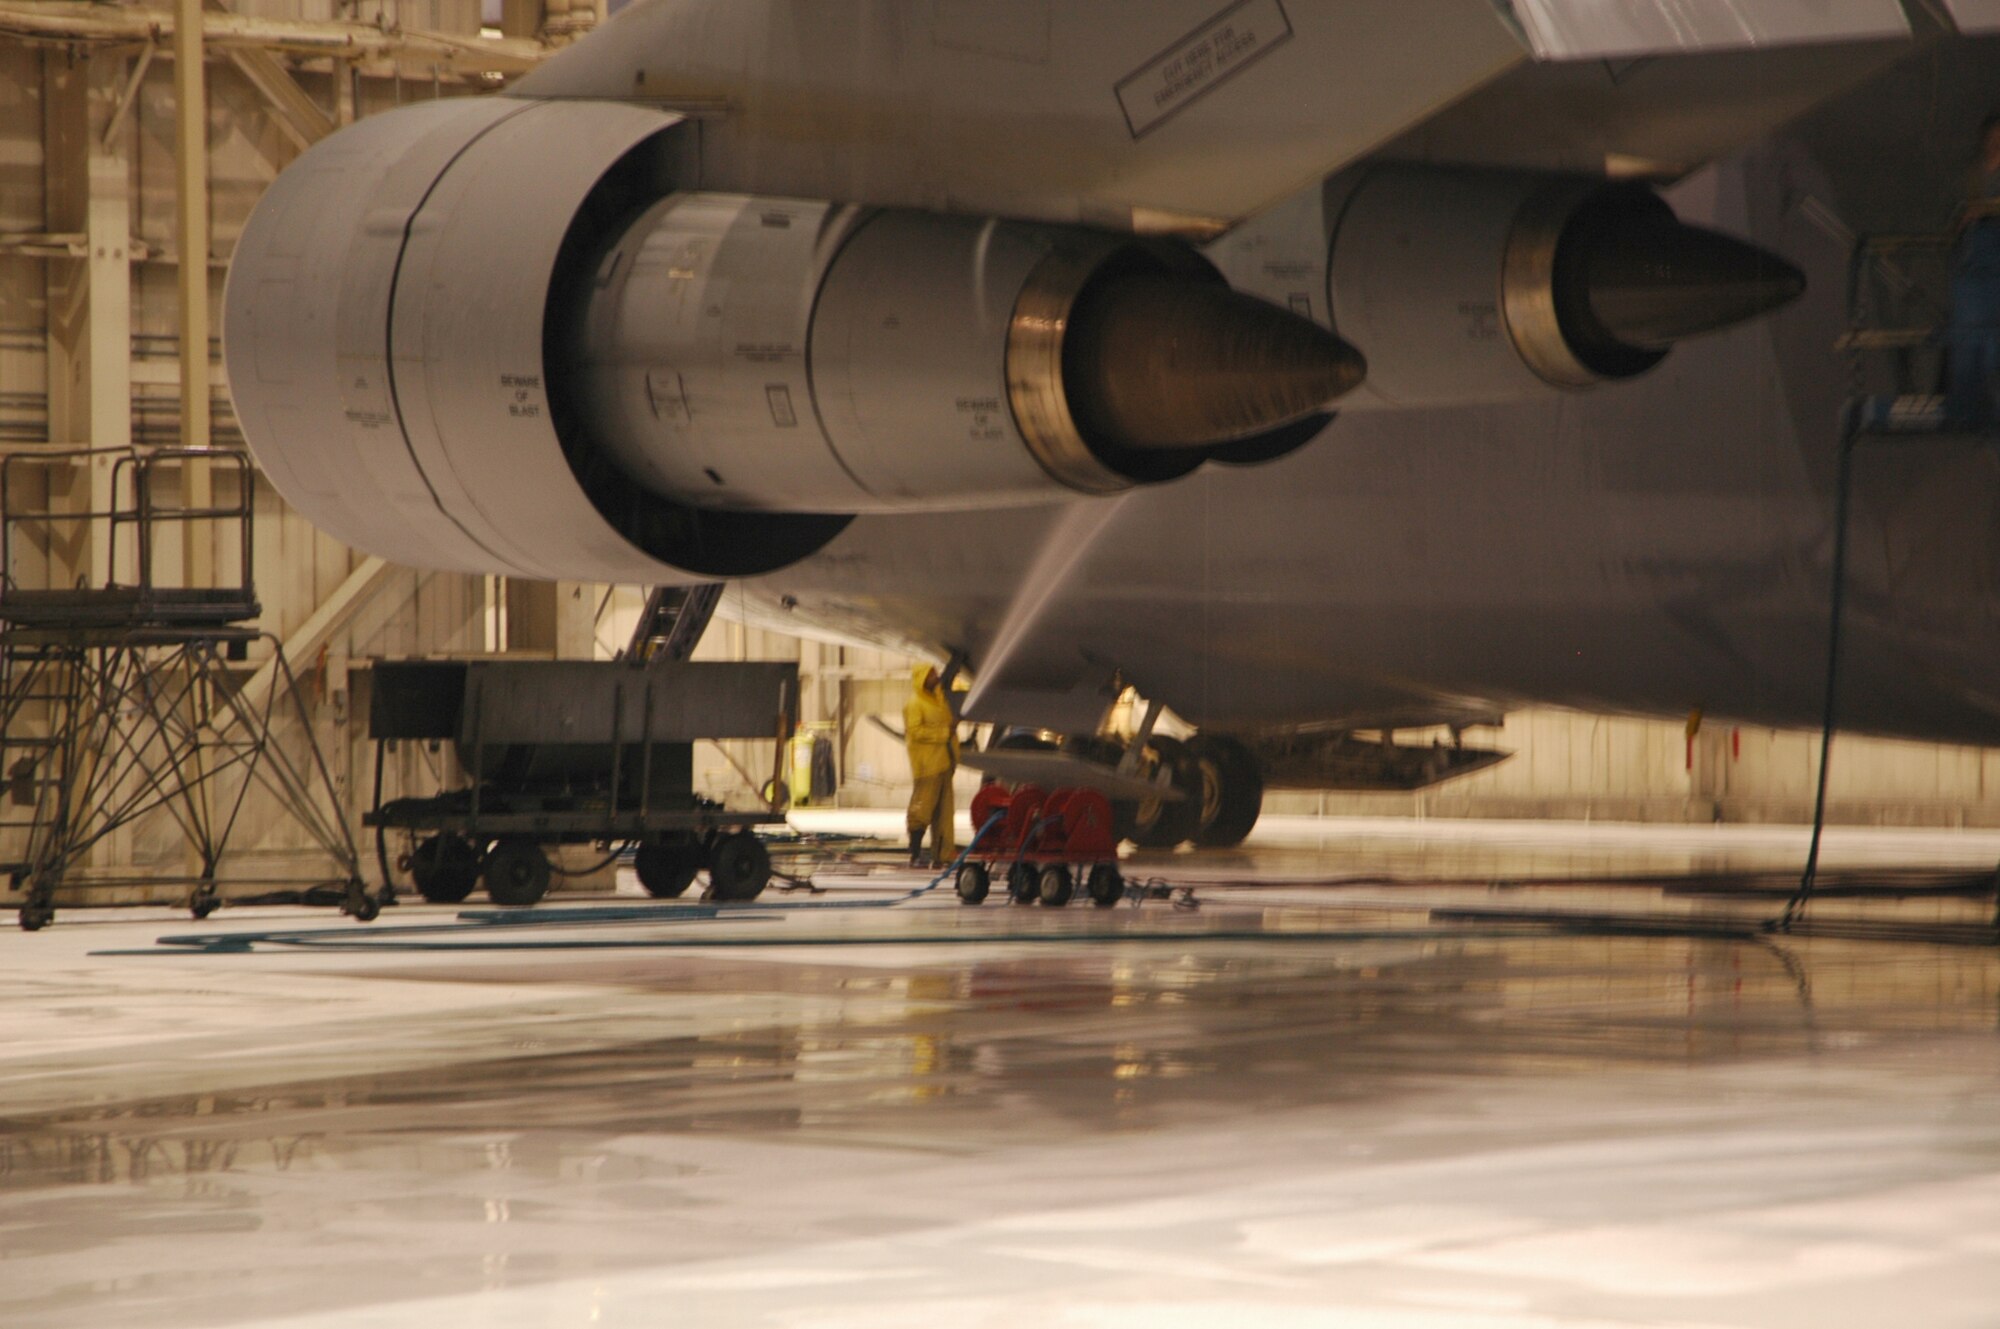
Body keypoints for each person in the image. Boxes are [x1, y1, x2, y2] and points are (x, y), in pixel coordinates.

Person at [1947, 113, 2000, 429]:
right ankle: (1968, 402)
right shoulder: (1975, 178)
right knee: (1971, 336)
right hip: (1974, 270)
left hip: (1991, 270)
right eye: (1992, 141)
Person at [902, 664, 960, 868]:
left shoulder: (938, 700)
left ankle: (943, 855)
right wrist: (945, 733)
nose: (936, 677)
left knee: (944, 815)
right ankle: (915, 852)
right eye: (932, 674)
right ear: (922, 677)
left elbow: (947, 724)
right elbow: (915, 731)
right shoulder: (915, 703)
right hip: (927, 766)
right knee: (922, 809)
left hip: (944, 763)